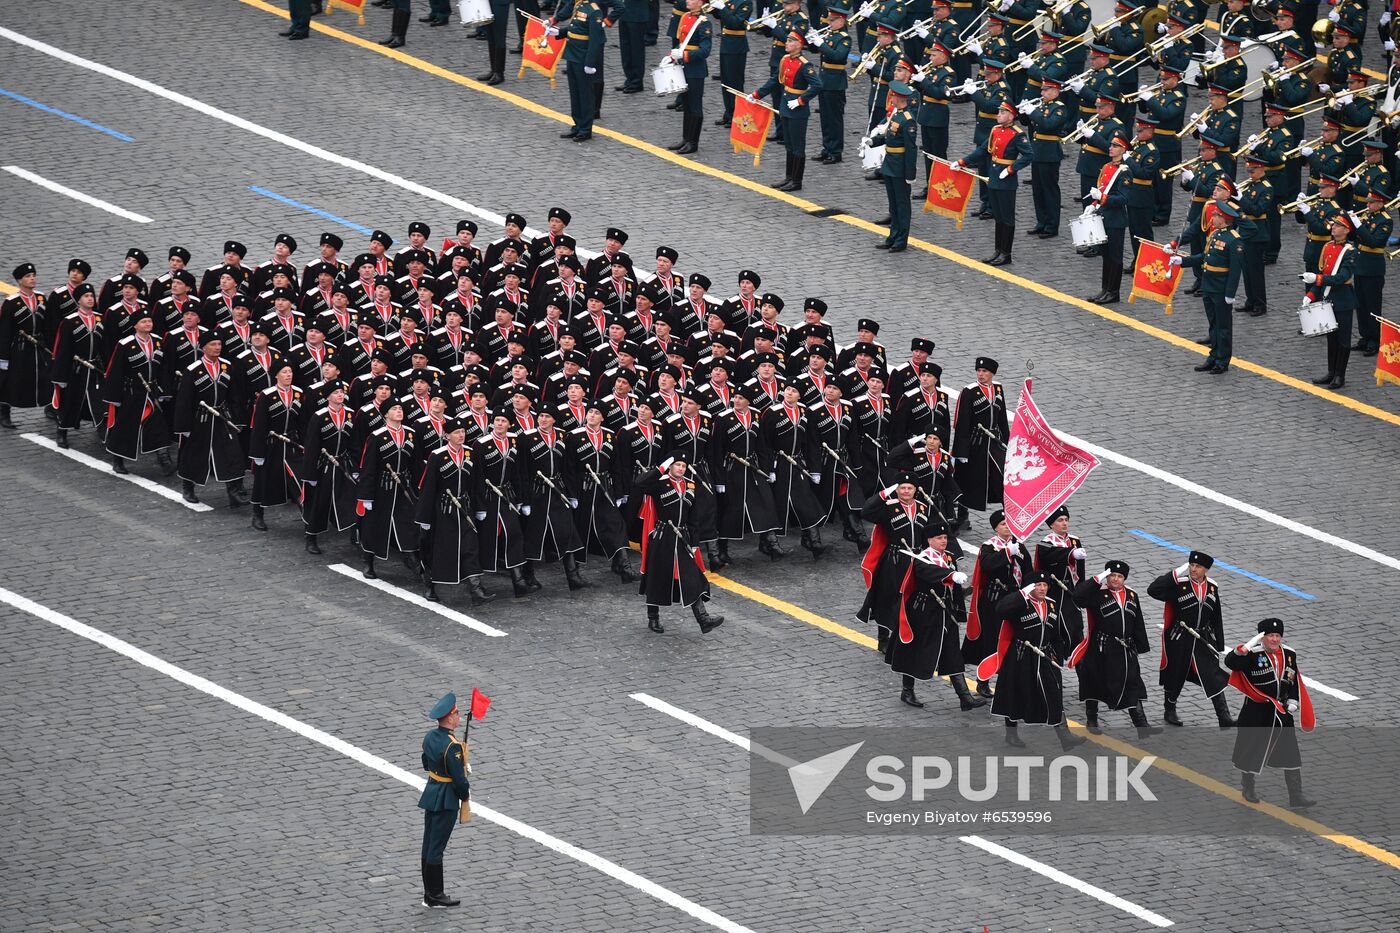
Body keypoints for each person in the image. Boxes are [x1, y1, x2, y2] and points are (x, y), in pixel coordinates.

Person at [982, 568, 1085, 749]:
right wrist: (1021, 594)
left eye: (1045, 585)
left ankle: (1065, 737)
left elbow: (1056, 634)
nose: (1043, 588)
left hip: (1045, 657)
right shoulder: (1020, 603)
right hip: (1021, 657)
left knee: (1054, 694)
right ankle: (1011, 734)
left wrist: (1057, 656)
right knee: (1015, 694)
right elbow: (1001, 609)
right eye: (1038, 585)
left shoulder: (1052, 605)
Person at [891, 523, 986, 711]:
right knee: (915, 650)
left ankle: (965, 697)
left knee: (952, 652)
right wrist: (951, 575)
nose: (943, 541)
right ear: (929, 540)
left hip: (945, 611)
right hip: (924, 612)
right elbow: (929, 572)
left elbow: (953, 588)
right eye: (939, 538)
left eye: (945, 538)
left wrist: (959, 601)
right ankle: (907, 690)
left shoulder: (948, 557)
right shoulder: (922, 559)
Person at [1223, 618, 1316, 808]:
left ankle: (1296, 795)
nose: (1274, 639)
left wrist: (1293, 701)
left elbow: (1293, 680)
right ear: (1262, 637)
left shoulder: (1289, 654)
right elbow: (1231, 663)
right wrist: (1246, 647)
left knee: (1291, 752)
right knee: (1250, 750)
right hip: (1257, 710)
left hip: (1281, 711)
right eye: (1270, 636)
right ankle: (1248, 787)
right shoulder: (1252, 654)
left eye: (1277, 636)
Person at [636, 451, 725, 634]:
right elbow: (639, 483)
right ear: (670, 466)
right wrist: (660, 468)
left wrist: (695, 543)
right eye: (677, 464)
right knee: (656, 578)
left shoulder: (690, 485)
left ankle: (703, 619)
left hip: (682, 537)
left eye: (684, 466)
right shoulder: (659, 483)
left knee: (692, 576)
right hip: (662, 538)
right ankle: (653, 618)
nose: (681, 468)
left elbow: (693, 517)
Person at [1069, 560, 1161, 735]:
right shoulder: (1097, 594)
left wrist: (1140, 645)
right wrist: (1097, 579)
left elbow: (1138, 621)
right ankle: (1092, 720)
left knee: (1132, 682)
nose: (1115, 579)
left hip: (1126, 648)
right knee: (1094, 683)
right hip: (1102, 648)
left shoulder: (1132, 595)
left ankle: (1142, 726)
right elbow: (1078, 597)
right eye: (1112, 575)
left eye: (1119, 576)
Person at [1147, 550, 1233, 728]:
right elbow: (1153, 590)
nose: (1193, 569)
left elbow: (1216, 616)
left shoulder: (1212, 587)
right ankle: (1169, 709)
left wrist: (1219, 644)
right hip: (1180, 638)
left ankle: (1224, 717)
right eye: (1191, 565)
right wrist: (1175, 573)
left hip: (1202, 639)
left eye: (1198, 566)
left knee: (1212, 675)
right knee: (1175, 674)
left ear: (1206, 569)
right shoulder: (1179, 584)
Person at [417, 419, 496, 604]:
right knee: (441, 549)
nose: (461, 435)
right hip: (443, 511)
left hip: (465, 508)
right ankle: (429, 584)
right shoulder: (437, 456)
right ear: (447, 436)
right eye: (456, 432)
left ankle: (476, 589)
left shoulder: (470, 453)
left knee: (470, 547)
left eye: (463, 431)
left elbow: (477, 482)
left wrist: (480, 507)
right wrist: (424, 517)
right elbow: (428, 487)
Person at [710, 384, 785, 561]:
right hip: (732, 469)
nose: (736, 400)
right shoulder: (723, 419)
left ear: (749, 401)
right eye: (735, 397)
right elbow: (716, 451)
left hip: (753, 468)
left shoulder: (756, 416)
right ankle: (723, 549)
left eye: (741, 398)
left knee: (765, 503)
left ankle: (770, 543)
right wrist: (719, 479)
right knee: (731, 509)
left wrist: (768, 470)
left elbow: (763, 446)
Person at [962, 508, 1031, 697]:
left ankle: (1011, 680)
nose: (1007, 527)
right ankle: (983, 680)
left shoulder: (1019, 545)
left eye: (1009, 523)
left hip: (1015, 598)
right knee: (991, 641)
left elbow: (1027, 569)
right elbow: (987, 565)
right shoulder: (989, 547)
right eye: (1002, 524)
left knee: (1015, 640)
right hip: (994, 601)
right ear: (995, 528)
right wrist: (1006, 553)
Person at [174, 333, 248, 507]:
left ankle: (234, 491)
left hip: (222, 417)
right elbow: (184, 401)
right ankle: (188, 487)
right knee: (195, 454)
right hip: (200, 418)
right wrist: (184, 427)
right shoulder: (193, 370)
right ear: (203, 347)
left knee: (232, 452)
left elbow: (234, 395)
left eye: (219, 344)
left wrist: (237, 419)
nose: (217, 347)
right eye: (213, 344)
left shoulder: (227, 366)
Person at [1170, 200, 1244, 375]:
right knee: (1213, 324)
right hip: (1209, 285)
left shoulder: (1234, 240)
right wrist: (1183, 261)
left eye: (1216, 215)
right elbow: (1205, 257)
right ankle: (1213, 356)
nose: (1213, 217)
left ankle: (1222, 360)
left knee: (1223, 327)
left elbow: (1235, 270)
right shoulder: (1215, 235)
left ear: (1224, 219)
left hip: (1221, 289)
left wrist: (1230, 293)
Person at [857, 474, 932, 647]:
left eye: (909, 488)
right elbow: (866, 512)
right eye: (902, 488)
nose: (906, 491)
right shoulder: (888, 508)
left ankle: (909, 633)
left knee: (914, 596)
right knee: (888, 597)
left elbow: (928, 534)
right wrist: (883, 494)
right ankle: (883, 638)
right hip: (894, 559)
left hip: (916, 559)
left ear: (915, 490)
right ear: (896, 490)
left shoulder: (923, 508)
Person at [959, 100, 1033, 265]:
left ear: (1011, 116)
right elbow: (983, 150)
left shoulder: (1018, 134)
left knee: (1007, 218)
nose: (998, 115)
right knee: (998, 217)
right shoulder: (995, 129)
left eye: (1002, 112)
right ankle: (998, 250)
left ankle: (1006, 253)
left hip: (1006, 180)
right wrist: (963, 161)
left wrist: (1011, 169)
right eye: (999, 112)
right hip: (993, 177)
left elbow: (1029, 155)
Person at [103, 308, 175, 475]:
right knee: (126, 427)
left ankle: (164, 459)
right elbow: (116, 370)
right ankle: (118, 459)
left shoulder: (157, 341)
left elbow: (163, 368)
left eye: (149, 321)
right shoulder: (125, 344)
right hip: (132, 392)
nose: (148, 324)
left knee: (158, 424)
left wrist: (165, 390)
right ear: (135, 326)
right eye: (143, 321)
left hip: (152, 392)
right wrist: (114, 397)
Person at [356, 399, 422, 580]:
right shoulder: (377, 436)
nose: (399, 411)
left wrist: (418, 488)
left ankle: (411, 558)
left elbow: (416, 463)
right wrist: (366, 496)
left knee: (407, 523)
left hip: (404, 487)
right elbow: (368, 467)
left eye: (400, 408)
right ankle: (368, 560)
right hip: (382, 488)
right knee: (375, 525)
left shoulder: (410, 434)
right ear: (385, 414)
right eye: (394, 409)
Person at [417, 692, 470, 909]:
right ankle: (435, 895)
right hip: (446, 798)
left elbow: (426, 763)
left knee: (429, 844)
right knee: (437, 847)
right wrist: (465, 794)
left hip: (431, 793)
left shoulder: (430, 736)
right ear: (449, 718)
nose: (459, 716)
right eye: (456, 713)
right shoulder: (452, 745)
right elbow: (459, 781)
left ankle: (428, 893)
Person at [751, 31, 821, 191]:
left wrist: (801, 100)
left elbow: (817, 85)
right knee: (789, 145)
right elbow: (775, 80)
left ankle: (797, 181)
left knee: (798, 146)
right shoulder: (785, 60)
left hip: (797, 110)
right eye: (787, 41)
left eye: (790, 41)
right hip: (785, 106)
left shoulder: (805, 65)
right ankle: (789, 177)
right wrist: (756, 95)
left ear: (799, 45)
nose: (787, 43)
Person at [300, 380, 359, 554]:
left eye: (342, 392)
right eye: (336, 392)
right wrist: (310, 475)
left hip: (344, 463)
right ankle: (311, 537)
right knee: (319, 502)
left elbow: (354, 443)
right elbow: (311, 446)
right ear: (328, 397)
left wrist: (356, 468)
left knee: (351, 499)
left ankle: (355, 535)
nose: (340, 395)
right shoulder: (319, 417)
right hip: (324, 466)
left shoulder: (350, 414)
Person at [49, 282, 109, 449]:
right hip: (75, 370)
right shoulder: (69, 322)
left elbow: (104, 347)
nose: (90, 299)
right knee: (70, 401)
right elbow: (63, 350)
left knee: (99, 402)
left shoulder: (99, 318)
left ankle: (104, 434)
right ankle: (62, 431)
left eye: (91, 296)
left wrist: (107, 368)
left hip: (94, 369)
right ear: (78, 300)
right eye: (86, 296)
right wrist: (60, 377)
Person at [1301, 212, 1356, 389]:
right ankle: (1331, 372)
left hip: (1343, 300)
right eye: (1334, 224)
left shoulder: (1350, 251)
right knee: (1331, 339)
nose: (1333, 227)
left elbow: (1342, 277)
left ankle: (1340, 375)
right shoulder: (1327, 247)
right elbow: (1323, 274)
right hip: (1328, 298)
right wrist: (1311, 295)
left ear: (1346, 230)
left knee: (1343, 340)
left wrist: (1317, 279)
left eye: (1338, 225)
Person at [247, 359, 304, 531]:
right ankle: (257, 513)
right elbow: (259, 426)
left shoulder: (298, 393)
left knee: (298, 480)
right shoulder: (267, 395)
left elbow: (303, 421)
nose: (288, 375)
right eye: (284, 372)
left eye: (290, 371)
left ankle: (307, 515)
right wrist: (257, 453)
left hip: (292, 444)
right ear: (276, 375)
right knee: (263, 480)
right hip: (272, 445)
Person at [950, 356, 1007, 519]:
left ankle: (1009, 512)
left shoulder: (998, 389)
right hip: (976, 443)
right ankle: (962, 515)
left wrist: (1008, 442)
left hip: (994, 442)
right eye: (979, 371)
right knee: (967, 479)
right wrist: (961, 452)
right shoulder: (969, 391)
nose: (980, 374)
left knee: (1001, 476)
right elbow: (962, 423)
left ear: (992, 373)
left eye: (985, 371)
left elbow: (1002, 418)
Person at [867, 80, 920, 252]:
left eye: (893, 96)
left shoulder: (908, 120)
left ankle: (901, 240)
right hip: (890, 163)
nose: (891, 99)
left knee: (902, 206)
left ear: (899, 98)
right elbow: (888, 136)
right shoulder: (896, 115)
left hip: (899, 167)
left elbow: (911, 149)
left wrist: (910, 174)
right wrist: (873, 141)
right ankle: (893, 236)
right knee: (893, 204)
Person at [0, 262, 50, 429]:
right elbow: (4, 332)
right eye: (28, 276)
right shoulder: (11, 302)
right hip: (20, 348)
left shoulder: (41, 297)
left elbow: (47, 324)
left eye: (33, 275)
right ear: (19, 281)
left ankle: (51, 407)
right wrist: (3, 357)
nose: (32, 278)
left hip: (39, 346)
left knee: (45, 377)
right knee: (13, 380)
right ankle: (4, 411)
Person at [1083, 132, 1129, 303]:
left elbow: (1124, 198)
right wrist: (1093, 204)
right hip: (1103, 216)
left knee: (1115, 256)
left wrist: (1102, 198)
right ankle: (1105, 289)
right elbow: (1101, 190)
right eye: (1111, 145)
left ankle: (1114, 292)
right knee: (1106, 255)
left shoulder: (1125, 172)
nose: (1111, 148)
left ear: (1123, 150)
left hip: (1116, 219)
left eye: (1115, 146)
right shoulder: (1107, 167)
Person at [1021, 77, 1069, 239]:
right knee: (1038, 190)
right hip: (1037, 152)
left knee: (1049, 191)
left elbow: (1048, 125)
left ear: (1055, 91)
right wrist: (1024, 113)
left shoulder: (1060, 108)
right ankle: (1041, 222)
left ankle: (1052, 225)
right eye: (1042, 90)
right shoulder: (1042, 105)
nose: (1042, 93)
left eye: (1046, 90)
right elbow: (1028, 123)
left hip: (1049, 153)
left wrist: (1033, 112)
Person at [665, 0, 712, 154]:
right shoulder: (685, 16)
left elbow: (705, 51)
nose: (687, 1)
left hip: (695, 70)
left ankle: (693, 142)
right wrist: (671, 55)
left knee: (695, 105)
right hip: (683, 67)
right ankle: (686, 138)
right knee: (686, 103)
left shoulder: (704, 23)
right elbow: (681, 43)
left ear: (700, 3)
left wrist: (685, 55)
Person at [809, 6, 852, 164]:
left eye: (833, 20)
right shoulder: (830, 34)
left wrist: (821, 44)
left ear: (841, 21)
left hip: (835, 83)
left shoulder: (845, 38)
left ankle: (835, 152)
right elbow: (815, 50)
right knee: (825, 118)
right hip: (824, 80)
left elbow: (837, 56)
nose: (830, 22)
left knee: (834, 119)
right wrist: (812, 40)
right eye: (830, 20)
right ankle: (827, 148)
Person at [560, 0, 608, 142]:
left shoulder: (594, 11)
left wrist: (590, 63)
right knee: (575, 93)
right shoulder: (579, 5)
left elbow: (595, 40)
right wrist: (558, 32)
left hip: (583, 57)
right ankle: (577, 125)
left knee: (585, 94)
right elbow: (574, 28)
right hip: (572, 54)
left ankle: (586, 129)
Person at [1353, 185, 1390, 357]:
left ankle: (1374, 339)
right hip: (1360, 265)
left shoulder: (1385, 221)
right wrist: (1350, 224)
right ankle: (1364, 336)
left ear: (1380, 203)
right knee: (1360, 304)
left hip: (1373, 268)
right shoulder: (1368, 216)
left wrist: (1359, 226)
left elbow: (1374, 242)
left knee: (1373, 305)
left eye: (1371, 203)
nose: (1367, 205)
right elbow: (1356, 238)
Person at [711, 0, 753, 128]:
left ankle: (737, 115)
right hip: (726, 44)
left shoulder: (746, 3)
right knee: (725, 82)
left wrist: (723, 8)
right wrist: (715, 8)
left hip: (736, 46)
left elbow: (734, 23)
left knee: (735, 84)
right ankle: (729, 113)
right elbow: (720, 16)